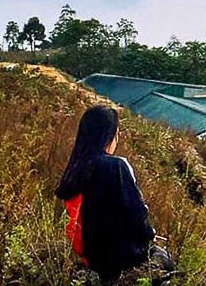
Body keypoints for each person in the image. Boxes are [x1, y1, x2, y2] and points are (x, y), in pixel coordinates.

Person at [56, 105, 174, 282]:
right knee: (164, 261)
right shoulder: (116, 166)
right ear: (107, 135)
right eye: (116, 133)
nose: (117, 139)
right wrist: (150, 234)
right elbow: (136, 213)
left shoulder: (75, 169)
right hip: (121, 258)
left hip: (90, 256)